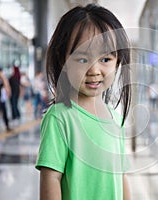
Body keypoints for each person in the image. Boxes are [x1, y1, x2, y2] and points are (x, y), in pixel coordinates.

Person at [35, 4, 132, 200]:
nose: (94, 70)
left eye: (105, 59)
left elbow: (121, 176)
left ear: (118, 61)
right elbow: (51, 180)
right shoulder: (60, 119)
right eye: (82, 59)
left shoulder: (116, 119)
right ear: (63, 62)